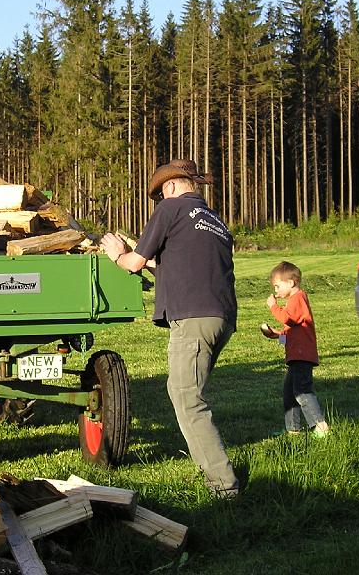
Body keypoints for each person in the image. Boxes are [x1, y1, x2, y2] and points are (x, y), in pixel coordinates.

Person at [100, 159, 240, 498]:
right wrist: (145, 259)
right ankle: (217, 472)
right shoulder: (215, 221)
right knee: (191, 394)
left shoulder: (170, 209)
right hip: (221, 318)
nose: (161, 199)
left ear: (173, 186)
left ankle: (224, 485)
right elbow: (175, 265)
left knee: (187, 399)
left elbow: (133, 263)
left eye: (162, 192)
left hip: (192, 320)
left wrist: (119, 253)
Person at [264, 261, 330, 438]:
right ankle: (293, 429)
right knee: (289, 394)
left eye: (277, 286)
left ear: (291, 283)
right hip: (296, 355)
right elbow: (293, 329)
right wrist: (278, 335)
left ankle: (320, 426)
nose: (276, 291)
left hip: (302, 355)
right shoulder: (295, 300)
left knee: (302, 391)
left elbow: (288, 319)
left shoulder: (298, 298)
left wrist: (273, 306)